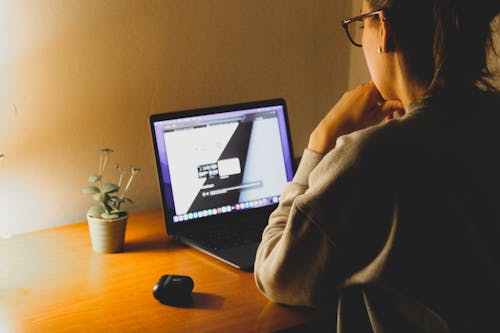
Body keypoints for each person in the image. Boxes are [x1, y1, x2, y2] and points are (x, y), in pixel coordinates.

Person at [254, 0, 500, 332]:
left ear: (384, 29)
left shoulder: (370, 157)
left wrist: (320, 143)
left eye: (360, 25)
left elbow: (277, 275)